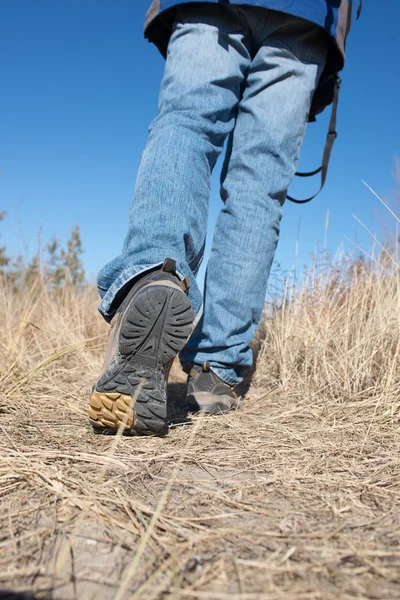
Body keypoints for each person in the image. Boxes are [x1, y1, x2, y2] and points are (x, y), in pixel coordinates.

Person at [88, 1, 353, 436]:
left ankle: (155, 273)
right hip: (306, 19)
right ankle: (216, 368)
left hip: (212, 6)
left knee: (188, 126)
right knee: (258, 187)